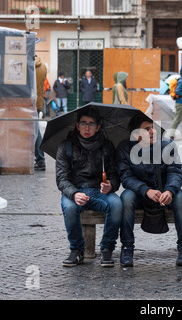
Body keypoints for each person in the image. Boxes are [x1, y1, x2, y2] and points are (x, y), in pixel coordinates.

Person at [117, 114, 182, 267]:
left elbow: (175, 171)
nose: (153, 131)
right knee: (126, 198)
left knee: (180, 199)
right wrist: (145, 190)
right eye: (147, 129)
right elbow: (126, 177)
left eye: (154, 128)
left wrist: (170, 191)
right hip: (139, 194)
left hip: (164, 192)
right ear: (136, 134)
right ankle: (127, 247)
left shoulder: (167, 145)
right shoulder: (124, 148)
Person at [56, 106, 122, 267]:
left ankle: (107, 248)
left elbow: (115, 175)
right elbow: (61, 178)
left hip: (99, 191)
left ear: (98, 127)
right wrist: (73, 194)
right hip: (75, 190)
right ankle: (77, 250)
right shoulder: (66, 146)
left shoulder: (106, 146)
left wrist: (110, 185)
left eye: (91, 124)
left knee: (116, 204)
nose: (87, 128)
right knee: (70, 208)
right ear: (77, 125)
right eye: (83, 123)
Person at [34, 56, 47, 171]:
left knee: (35, 130)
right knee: (35, 129)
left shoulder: (28, 65)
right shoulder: (43, 66)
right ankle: (40, 158)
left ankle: (40, 158)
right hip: (38, 102)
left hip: (27, 101)